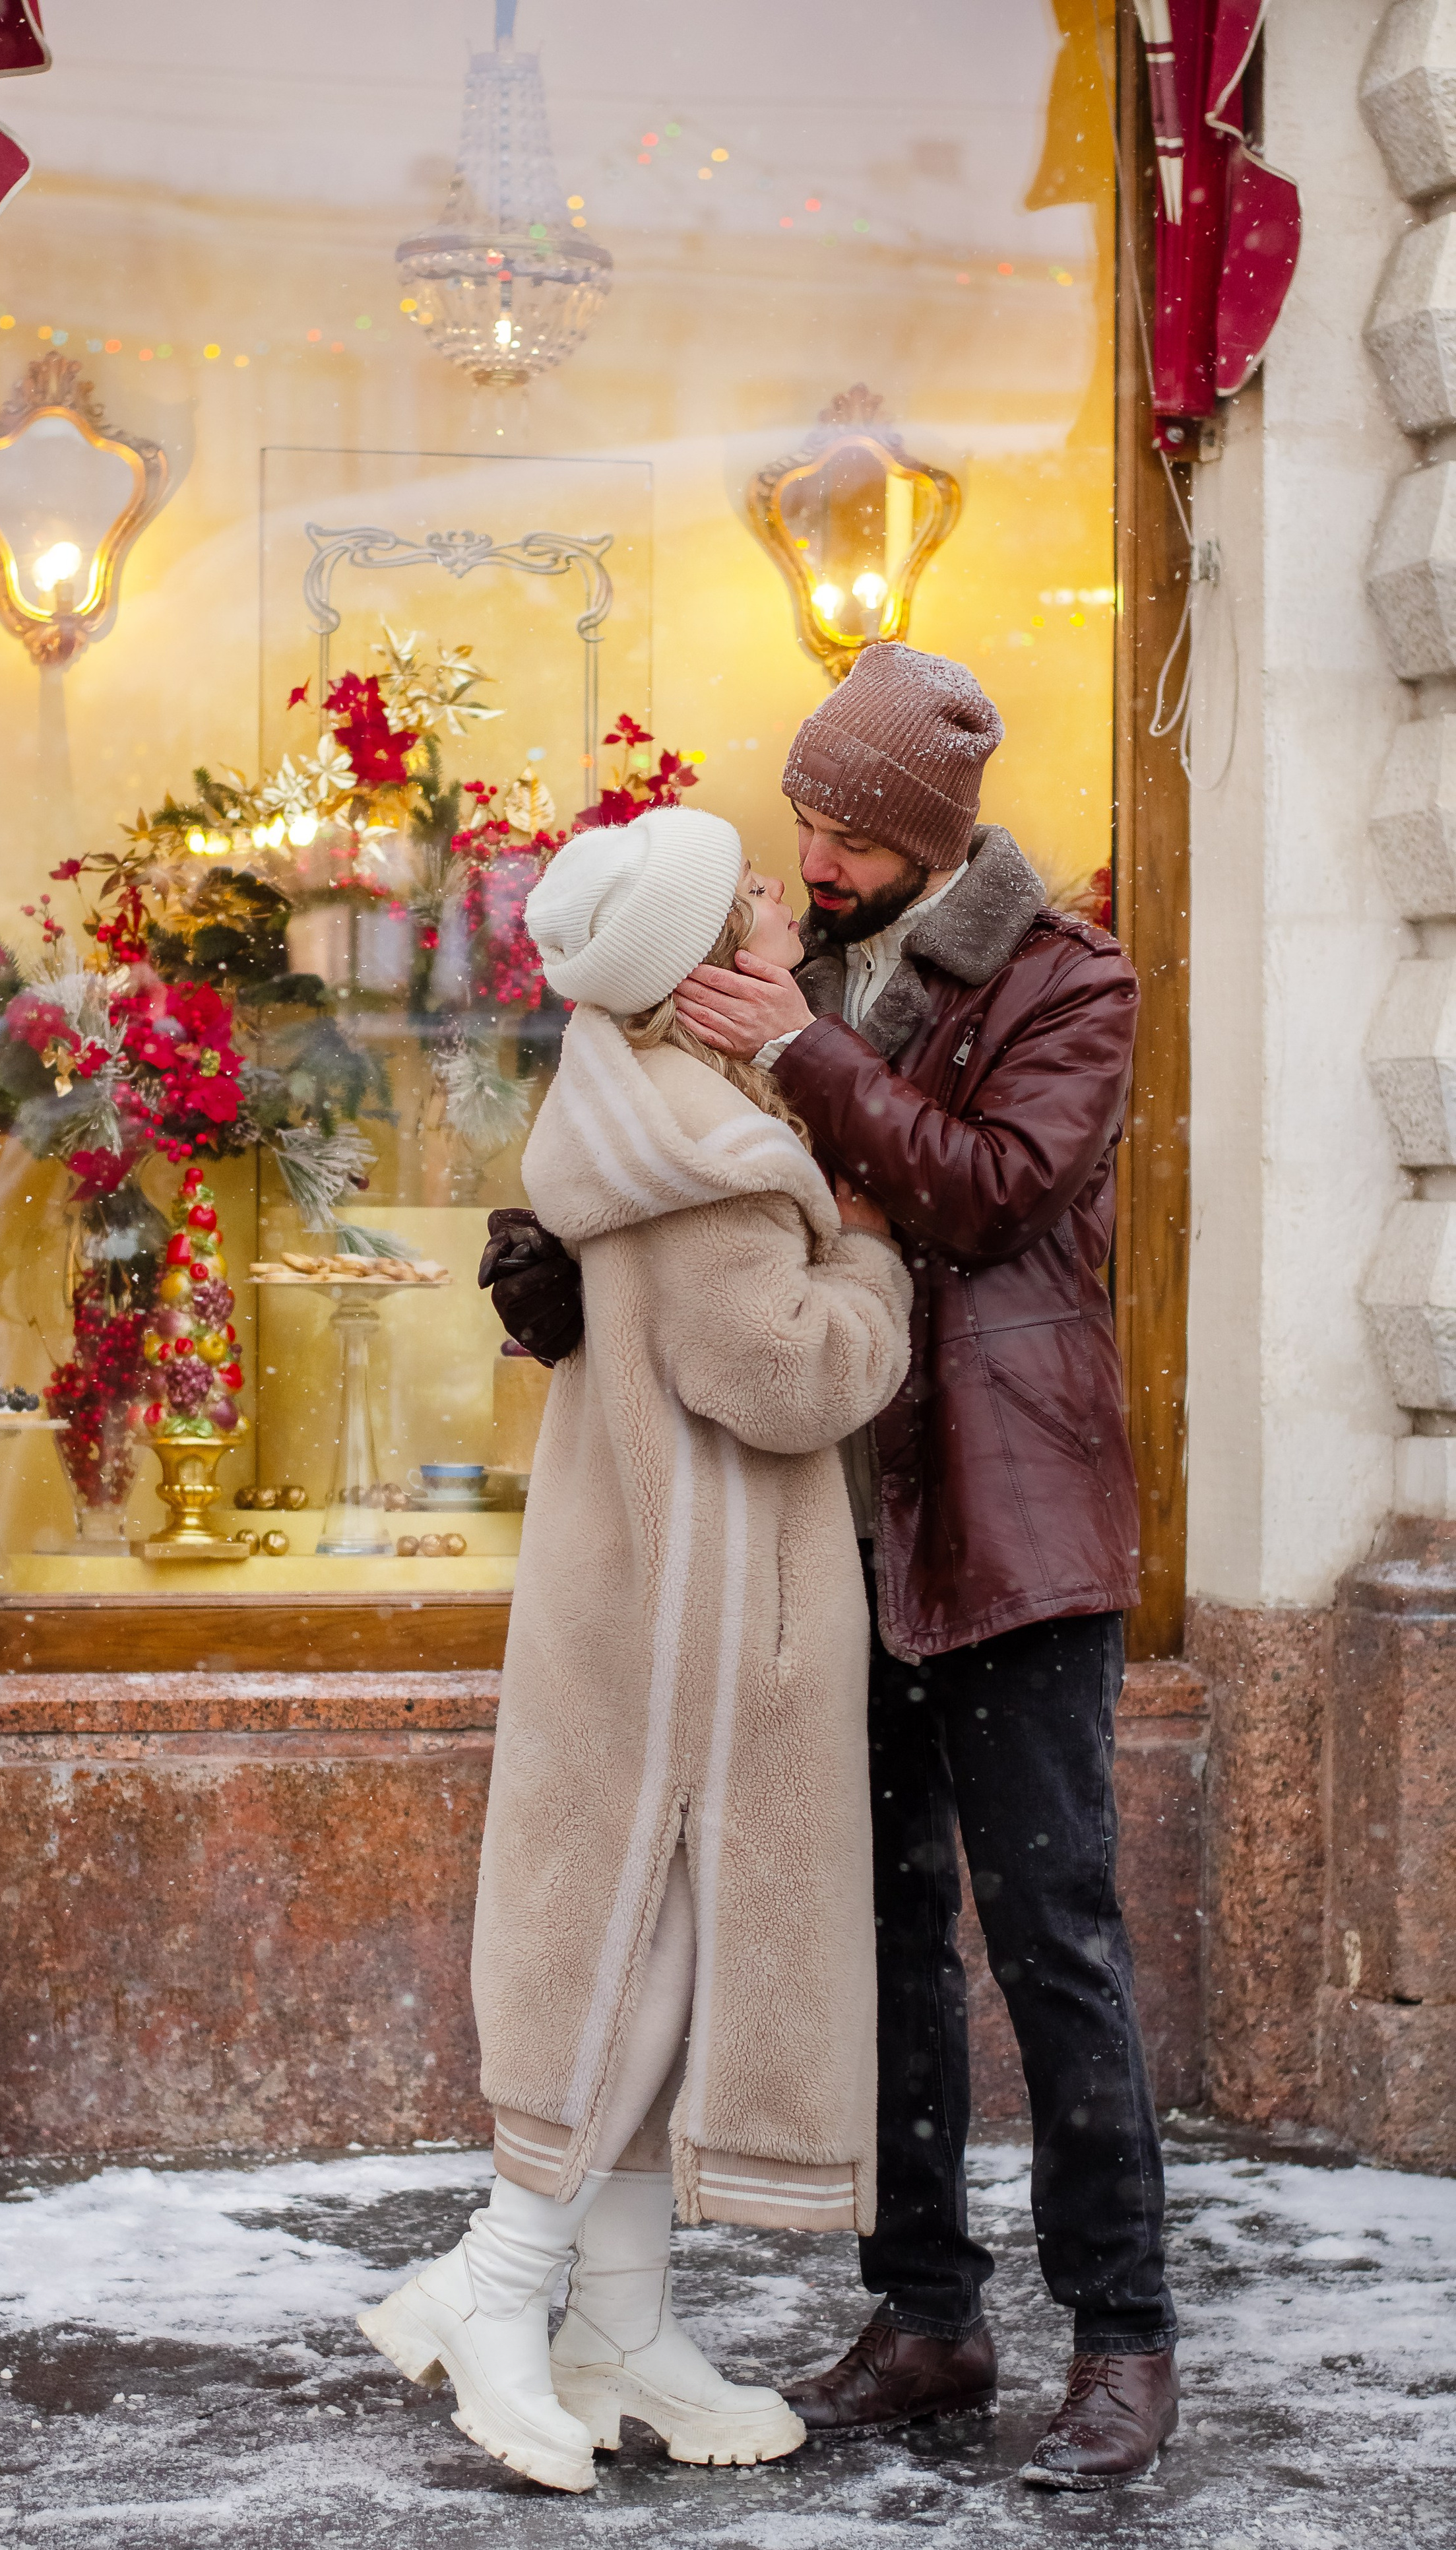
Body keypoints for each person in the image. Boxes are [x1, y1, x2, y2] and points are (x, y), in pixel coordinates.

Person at [484, 642, 1180, 2493]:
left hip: (1012, 1523)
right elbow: (736, 1206)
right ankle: (929, 2310)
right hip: (830, 1518)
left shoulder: (1069, 977)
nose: (814, 846)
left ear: (925, 834)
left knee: (1055, 1941)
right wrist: (573, 1267)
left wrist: (795, 1044)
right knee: (880, 1936)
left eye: (843, 827)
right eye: (804, 815)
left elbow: (984, 1186)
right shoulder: (793, 967)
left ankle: (1122, 2338)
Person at [360, 805, 912, 2495]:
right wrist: (875, 1260)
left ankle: (616, 2317)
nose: (777, 895)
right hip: (694, 1630)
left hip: (661, 1602)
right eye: (745, 886)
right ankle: (495, 2293)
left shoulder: (656, 1109)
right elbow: (794, 1375)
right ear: (698, 966)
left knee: (652, 1958)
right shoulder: (708, 1157)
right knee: (636, 1957)